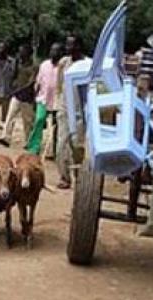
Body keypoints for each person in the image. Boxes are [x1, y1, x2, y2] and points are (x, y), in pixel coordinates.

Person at [55, 35, 89, 189]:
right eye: (67, 45)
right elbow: (59, 86)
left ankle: (79, 175)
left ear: (79, 46)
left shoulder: (88, 65)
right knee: (61, 145)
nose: (68, 49)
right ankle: (64, 177)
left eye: (71, 45)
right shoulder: (64, 63)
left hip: (79, 111)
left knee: (77, 146)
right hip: (64, 108)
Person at [27, 42, 63, 156]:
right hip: (43, 99)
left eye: (56, 51)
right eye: (52, 50)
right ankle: (34, 147)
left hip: (57, 101)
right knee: (39, 120)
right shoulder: (44, 65)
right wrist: (34, 98)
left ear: (61, 53)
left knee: (56, 127)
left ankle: (55, 150)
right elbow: (38, 82)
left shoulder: (63, 67)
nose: (53, 53)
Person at [0, 44, 37, 147]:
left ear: (28, 54)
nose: (20, 54)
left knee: (27, 122)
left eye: (22, 52)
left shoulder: (34, 67)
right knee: (10, 116)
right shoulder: (18, 64)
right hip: (17, 95)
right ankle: (6, 137)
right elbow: (13, 77)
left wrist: (18, 90)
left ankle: (29, 142)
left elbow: (31, 83)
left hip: (27, 98)